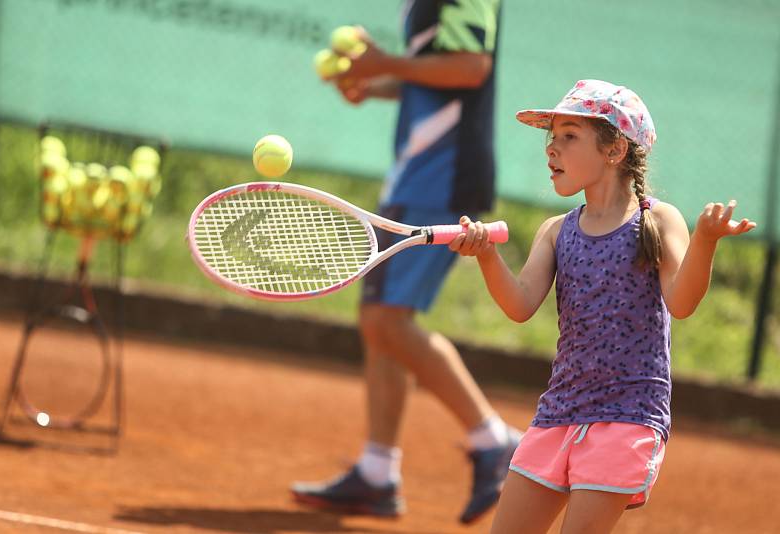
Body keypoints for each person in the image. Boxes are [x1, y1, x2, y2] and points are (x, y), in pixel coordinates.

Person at [448, 79, 757, 533]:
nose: (553, 148)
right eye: (552, 137)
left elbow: (683, 302)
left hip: (628, 416)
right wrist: (487, 256)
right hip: (558, 412)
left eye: (570, 136)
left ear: (614, 151)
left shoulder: (658, 219)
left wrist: (706, 241)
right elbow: (518, 305)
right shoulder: (556, 230)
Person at [291, 0, 522, 525]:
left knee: (385, 319)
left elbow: (470, 68)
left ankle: (494, 440)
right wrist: (373, 85)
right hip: (416, 175)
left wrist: (385, 64)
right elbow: (435, 78)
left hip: (443, 175)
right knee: (383, 324)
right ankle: (376, 473)